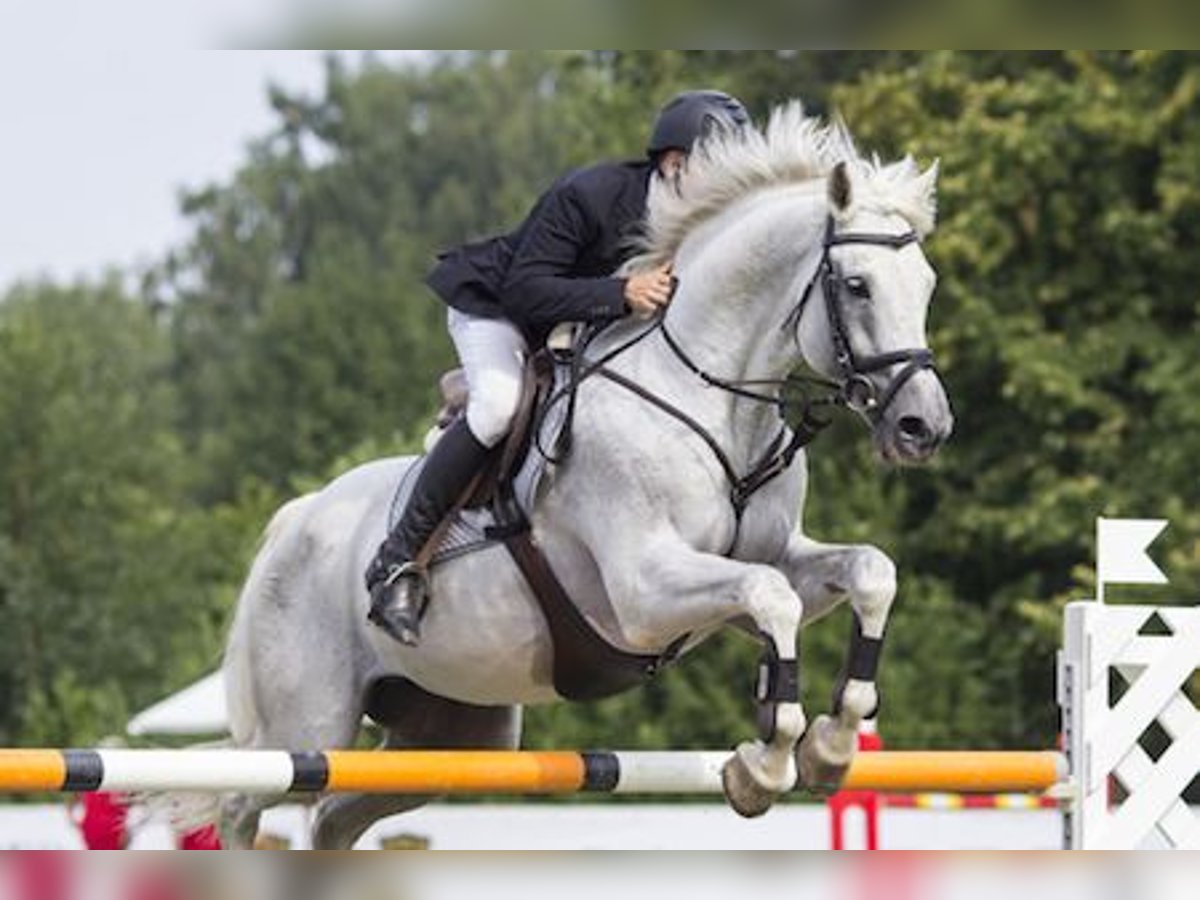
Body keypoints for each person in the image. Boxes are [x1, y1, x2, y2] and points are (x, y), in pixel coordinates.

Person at [365, 89, 752, 646]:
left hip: (578, 323)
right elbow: (526, 290)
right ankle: (398, 560)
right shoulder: (591, 195)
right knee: (498, 408)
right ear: (673, 163)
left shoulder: (698, 225)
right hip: (498, 308)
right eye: (718, 172)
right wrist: (621, 293)